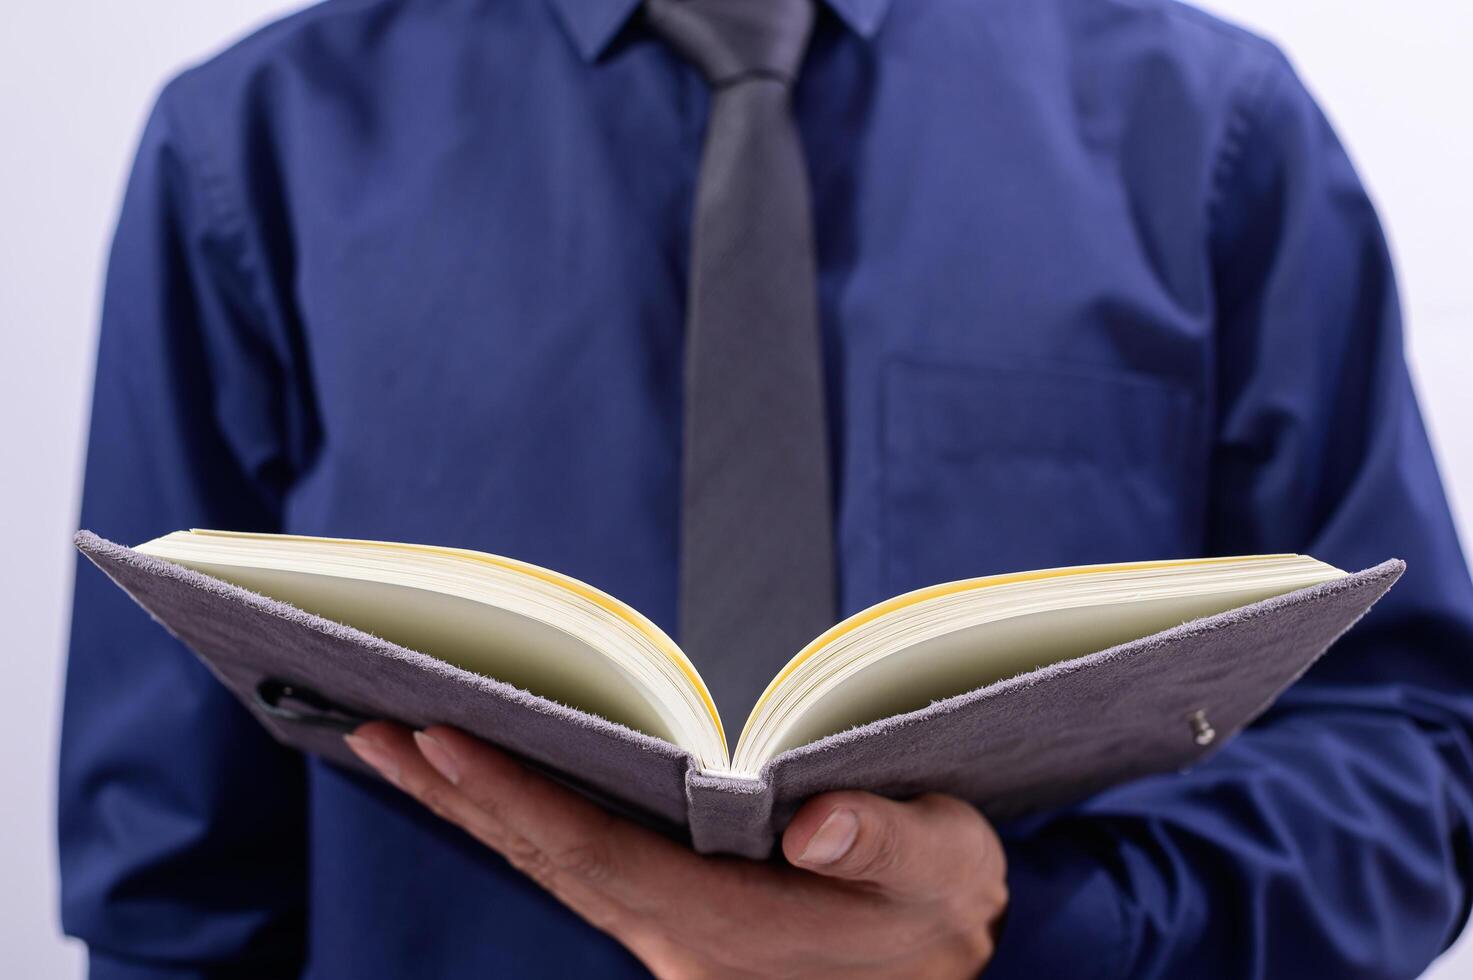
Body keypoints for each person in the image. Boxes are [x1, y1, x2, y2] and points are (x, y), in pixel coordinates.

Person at [60, 0, 1473, 976]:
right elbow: (169, 873)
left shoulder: (1212, 131)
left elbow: (1415, 754)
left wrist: (1029, 929)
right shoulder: (249, 146)